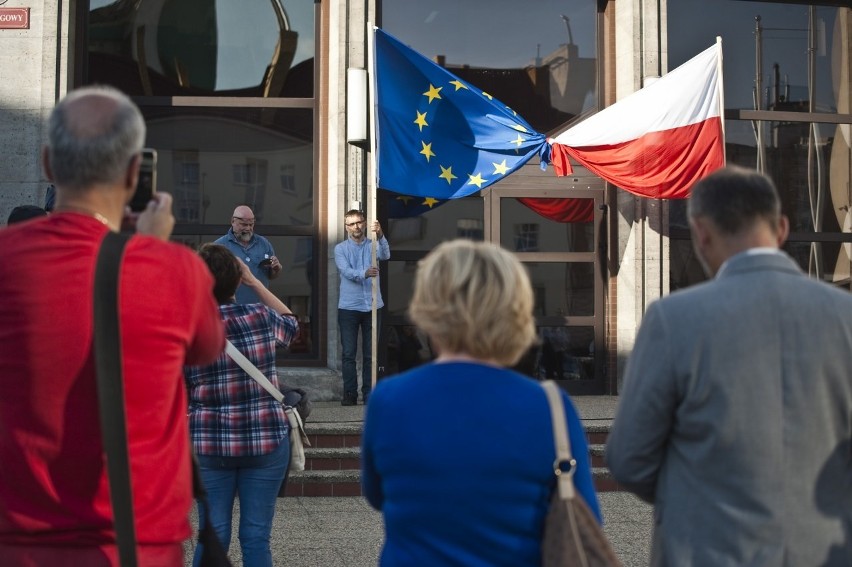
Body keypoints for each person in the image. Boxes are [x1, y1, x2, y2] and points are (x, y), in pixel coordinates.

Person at [0, 85, 226, 565]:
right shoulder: (171, 268)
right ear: (132, 173)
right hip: (134, 547)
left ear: (47, 165)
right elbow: (208, 348)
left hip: (17, 541)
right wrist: (152, 246)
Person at [605, 166, 852, 567]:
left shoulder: (674, 319)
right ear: (783, 228)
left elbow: (630, 458)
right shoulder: (846, 316)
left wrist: (695, 492)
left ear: (701, 232)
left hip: (708, 549)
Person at [361, 239, 601, 566]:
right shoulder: (549, 406)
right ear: (514, 311)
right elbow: (586, 513)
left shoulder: (388, 399)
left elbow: (377, 494)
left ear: (429, 309)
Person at [185, 243, 299, 567]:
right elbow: (292, 325)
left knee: (213, 532)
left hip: (209, 444)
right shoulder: (261, 316)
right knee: (256, 535)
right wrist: (255, 281)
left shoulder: (187, 328)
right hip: (265, 442)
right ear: (236, 282)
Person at [334, 209, 390, 405]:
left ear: (365, 223)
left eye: (359, 222)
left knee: (370, 354)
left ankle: (368, 393)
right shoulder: (340, 249)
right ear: (346, 227)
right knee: (349, 353)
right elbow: (346, 271)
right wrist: (364, 273)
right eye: (351, 224)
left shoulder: (373, 245)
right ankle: (350, 394)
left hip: (374, 305)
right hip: (349, 307)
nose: (356, 227)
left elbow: (386, 254)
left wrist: (381, 234)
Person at [215, 205, 282, 304]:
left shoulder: (264, 244)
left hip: (260, 310)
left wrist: (276, 268)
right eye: (244, 224)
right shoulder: (220, 246)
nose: (248, 228)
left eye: (251, 225)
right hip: (233, 311)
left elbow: (271, 276)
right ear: (233, 222)